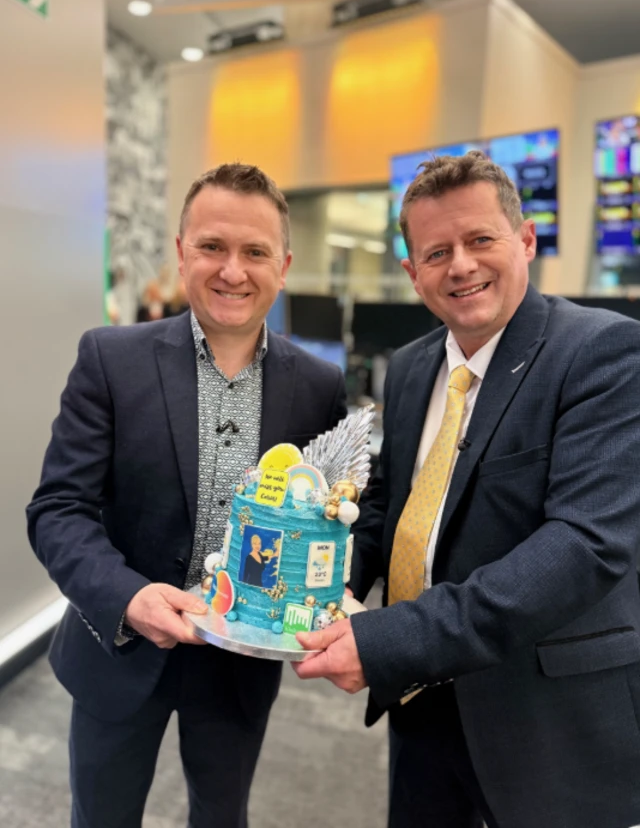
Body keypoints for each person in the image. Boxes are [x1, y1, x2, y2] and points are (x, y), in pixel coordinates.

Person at [294, 151, 640, 828]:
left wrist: (392, 638)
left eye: (480, 239)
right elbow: (390, 501)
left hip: (545, 719)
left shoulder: (605, 354)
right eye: (436, 251)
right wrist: (333, 580)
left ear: (526, 240)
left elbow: (583, 546)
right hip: (422, 704)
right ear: (411, 273)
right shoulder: (415, 364)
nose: (460, 265)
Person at [27, 162, 347, 828]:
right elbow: (58, 511)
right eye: (213, 247)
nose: (233, 270)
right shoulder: (110, 360)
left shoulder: (318, 386)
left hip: (240, 662)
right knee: (102, 816)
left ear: (282, 266)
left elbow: (334, 517)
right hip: (118, 648)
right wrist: (130, 597)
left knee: (221, 815)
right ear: (181, 253)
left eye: (255, 251)